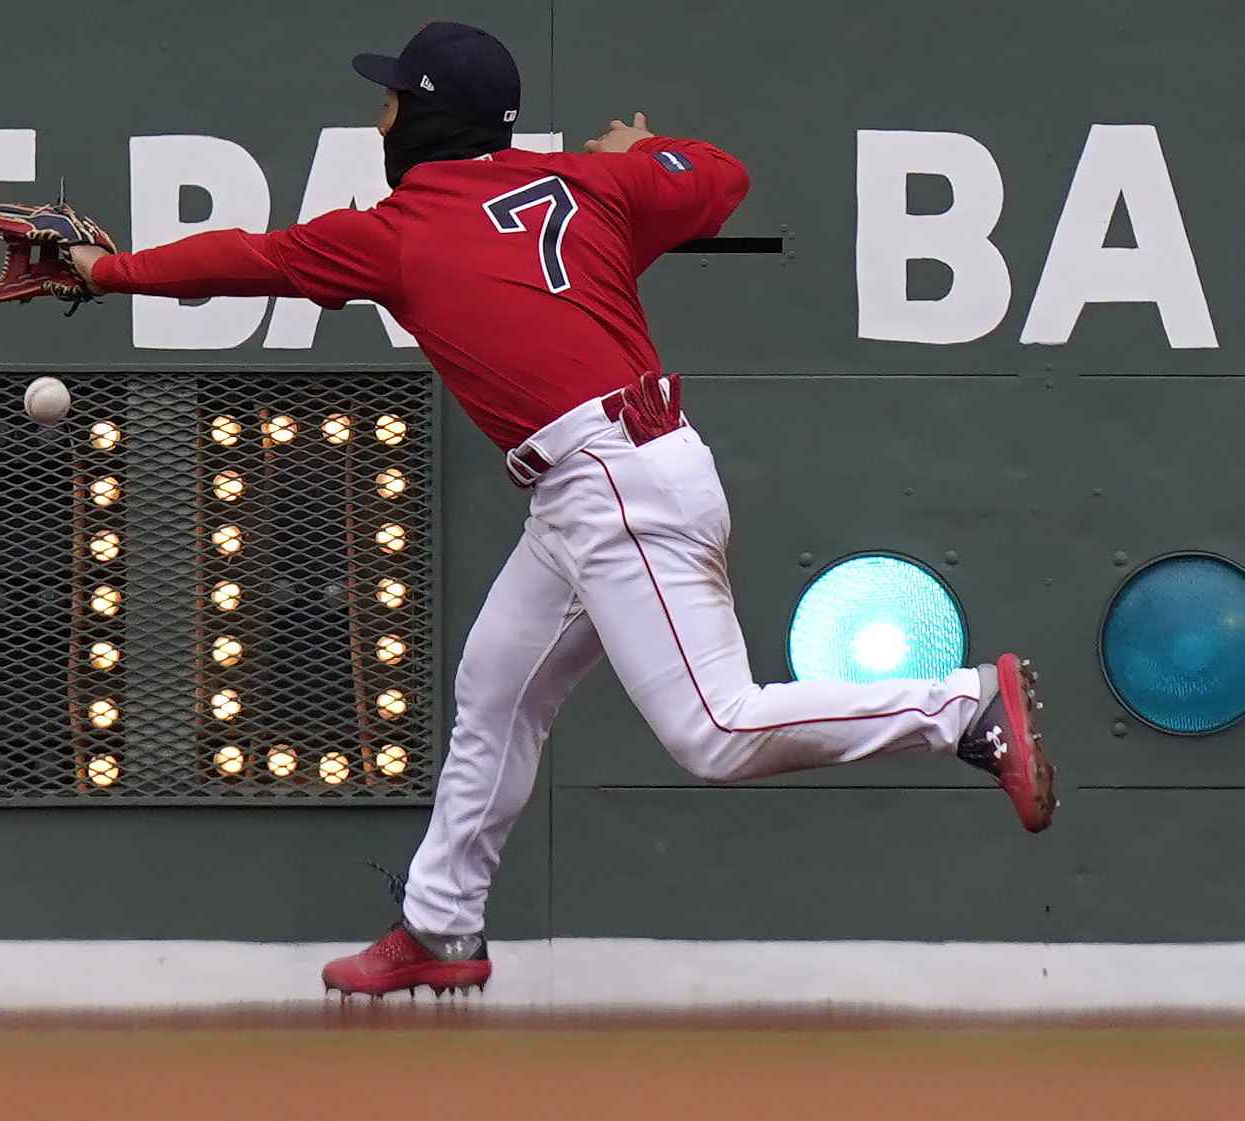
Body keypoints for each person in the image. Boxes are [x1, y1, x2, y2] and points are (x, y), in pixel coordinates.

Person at [67, 21, 1056, 999]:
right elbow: (719, 175)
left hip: (614, 488)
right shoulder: (595, 186)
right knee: (497, 686)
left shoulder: (398, 234)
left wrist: (101, 270)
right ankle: (439, 924)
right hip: (605, 478)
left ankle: (958, 706)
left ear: (421, 115)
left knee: (714, 729)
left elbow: (247, 257)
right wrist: (642, 154)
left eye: (390, 98)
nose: (378, 116)